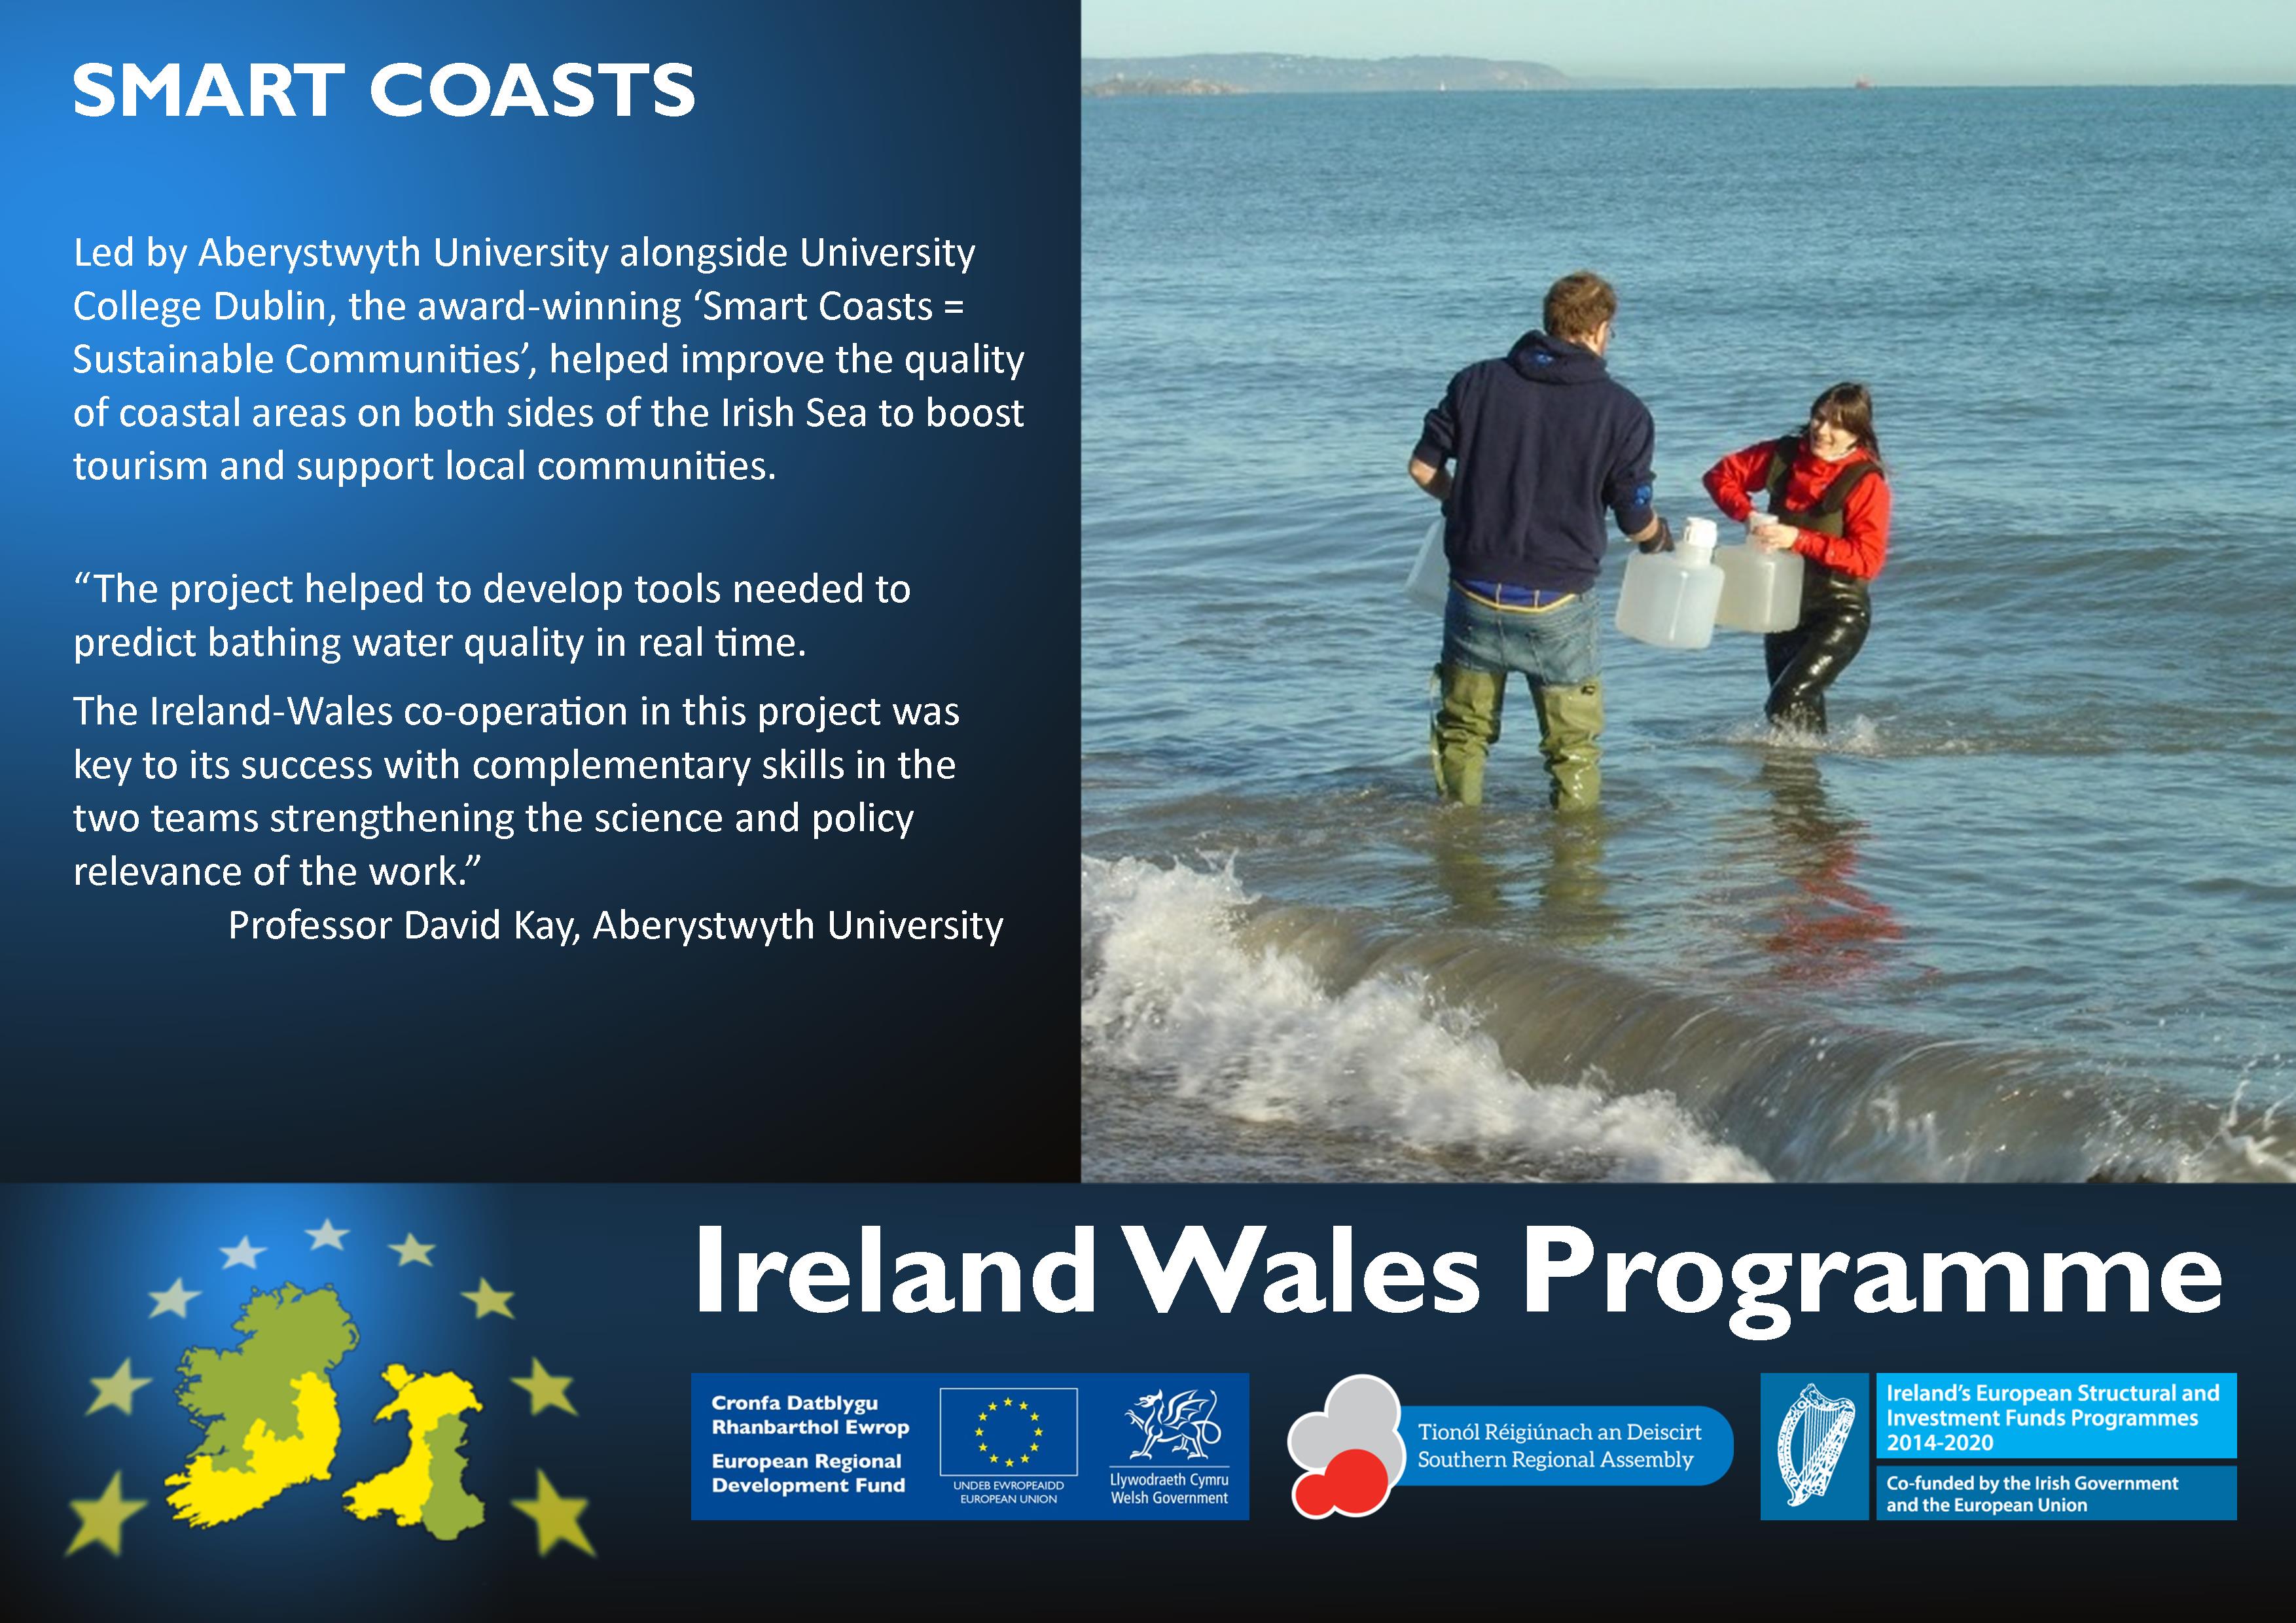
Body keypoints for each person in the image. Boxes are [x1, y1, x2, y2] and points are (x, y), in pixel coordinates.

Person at [1408, 270, 1670, 812]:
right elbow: (1634, 517)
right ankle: (1575, 876)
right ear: (1600, 330)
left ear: (1550, 322)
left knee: (1463, 734)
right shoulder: (1623, 411)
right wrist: (1660, 543)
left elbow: (1421, 468)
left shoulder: (1476, 382)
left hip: (1475, 592)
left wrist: (1462, 506)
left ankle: (1459, 851)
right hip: (1557, 604)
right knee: (1573, 750)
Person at [1702, 383, 1893, 735]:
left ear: (1857, 433)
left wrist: (1797, 538)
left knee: (1787, 697)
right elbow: (1720, 476)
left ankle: (1808, 769)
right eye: (1819, 418)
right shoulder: (1784, 456)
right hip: (1782, 607)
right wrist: (1747, 515)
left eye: (1837, 425)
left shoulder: (1866, 482)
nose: (1822, 431)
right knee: (1788, 714)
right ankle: (1801, 780)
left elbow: (1868, 560)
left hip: (1840, 612)